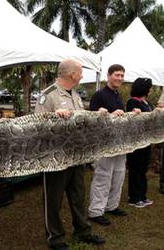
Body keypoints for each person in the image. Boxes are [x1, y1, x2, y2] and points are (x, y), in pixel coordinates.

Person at [35, 59, 105, 250]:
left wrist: (96, 114)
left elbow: (80, 121)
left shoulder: (74, 94)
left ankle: (83, 231)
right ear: (72, 74)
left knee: (78, 195)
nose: (82, 75)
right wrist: (53, 117)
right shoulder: (48, 96)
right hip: (56, 158)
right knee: (53, 200)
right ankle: (55, 238)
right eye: (80, 72)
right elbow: (37, 128)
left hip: (76, 155)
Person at [87, 64, 130, 226]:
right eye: (117, 75)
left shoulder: (118, 95)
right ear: (109, 75)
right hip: (104, 143)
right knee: (103, 176)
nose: (119, 78)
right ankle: (96, 211)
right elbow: (92, 119)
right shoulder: (99, 95)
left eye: (122, 75)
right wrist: (110, 115)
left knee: (119, 175)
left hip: (120, 142)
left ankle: (112, 206)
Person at [126, 78, 154, 208]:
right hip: (136, 141)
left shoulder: (146, 102)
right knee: (135, 169)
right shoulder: (132, 102)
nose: (151, 90)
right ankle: (134, 197)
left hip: (147, 140)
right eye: (149, 87)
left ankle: (142, 195)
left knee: (143, 168)